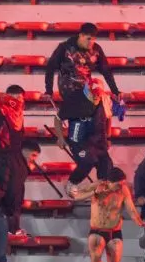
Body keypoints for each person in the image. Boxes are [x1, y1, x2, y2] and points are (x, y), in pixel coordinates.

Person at [45, 23, 120, 193]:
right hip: (72, 93)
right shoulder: (65, 48)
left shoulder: (97, 50)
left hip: (88, 92)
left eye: (93, 39)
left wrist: (115, 91)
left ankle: (103, 186)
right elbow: (50, 68)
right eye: (88, 39)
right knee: (88, 158)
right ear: (80, 35)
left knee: (104, 160)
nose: (90, 43)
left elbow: (106, 70)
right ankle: (72, 183)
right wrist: (48, 89)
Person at [70, 167, 144, 262]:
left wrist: (140, 222)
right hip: (97, 231)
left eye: (123, 183)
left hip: (114, 232)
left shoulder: (123, 190)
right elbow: (76, 196)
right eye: (118, 183)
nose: (121, 185)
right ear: (109, 182)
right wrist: (94, 193)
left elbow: (131, 209)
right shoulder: (97, 186)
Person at [0, 85, 26, 155]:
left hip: (16, 154)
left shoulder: (19, 113)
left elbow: (21, 135)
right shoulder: (0, 112)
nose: (21, 101)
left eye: (21, 98)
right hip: (3, 155)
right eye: (19, 97)